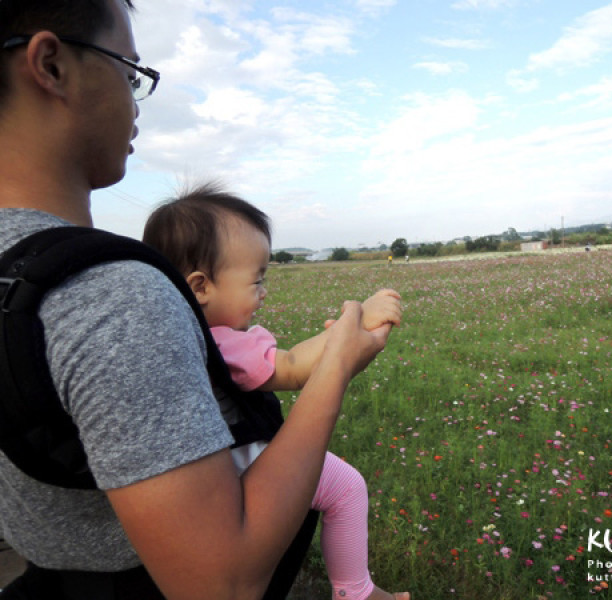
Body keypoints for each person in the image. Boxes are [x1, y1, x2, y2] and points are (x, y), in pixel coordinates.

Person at [0, 1, 392, 598]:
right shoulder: (114, 298)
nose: (135, 103)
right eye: (129, 71)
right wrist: (336, 365)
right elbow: (221, 583)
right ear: (50, 65)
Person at [142, 185, 408, 600]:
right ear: (200, 287)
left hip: (207, 476)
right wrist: (353, 326)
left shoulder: (170, 336)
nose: (264, 291)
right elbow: (293, 367)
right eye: (256, 279)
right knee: (347, 488)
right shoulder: (222, 342)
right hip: (247, 462)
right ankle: (355, 590)